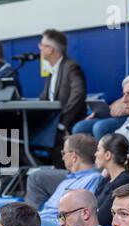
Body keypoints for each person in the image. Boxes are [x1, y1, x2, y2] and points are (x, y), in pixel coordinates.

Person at [38, 29, 87, 168]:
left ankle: (59, 174)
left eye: (42, 45)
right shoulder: (52, 70)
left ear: (50, 49)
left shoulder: (71, 67)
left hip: (67, 122)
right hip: (52, 123)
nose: (40, 48)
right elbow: (44, 99)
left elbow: (78, 95)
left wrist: (63, 123)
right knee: (14, 135)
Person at [94, 133, 129, 226]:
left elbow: (101, 218)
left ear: (108, 155)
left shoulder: (125, 182)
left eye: (98, 150)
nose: (95, 154)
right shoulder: (107, 179)